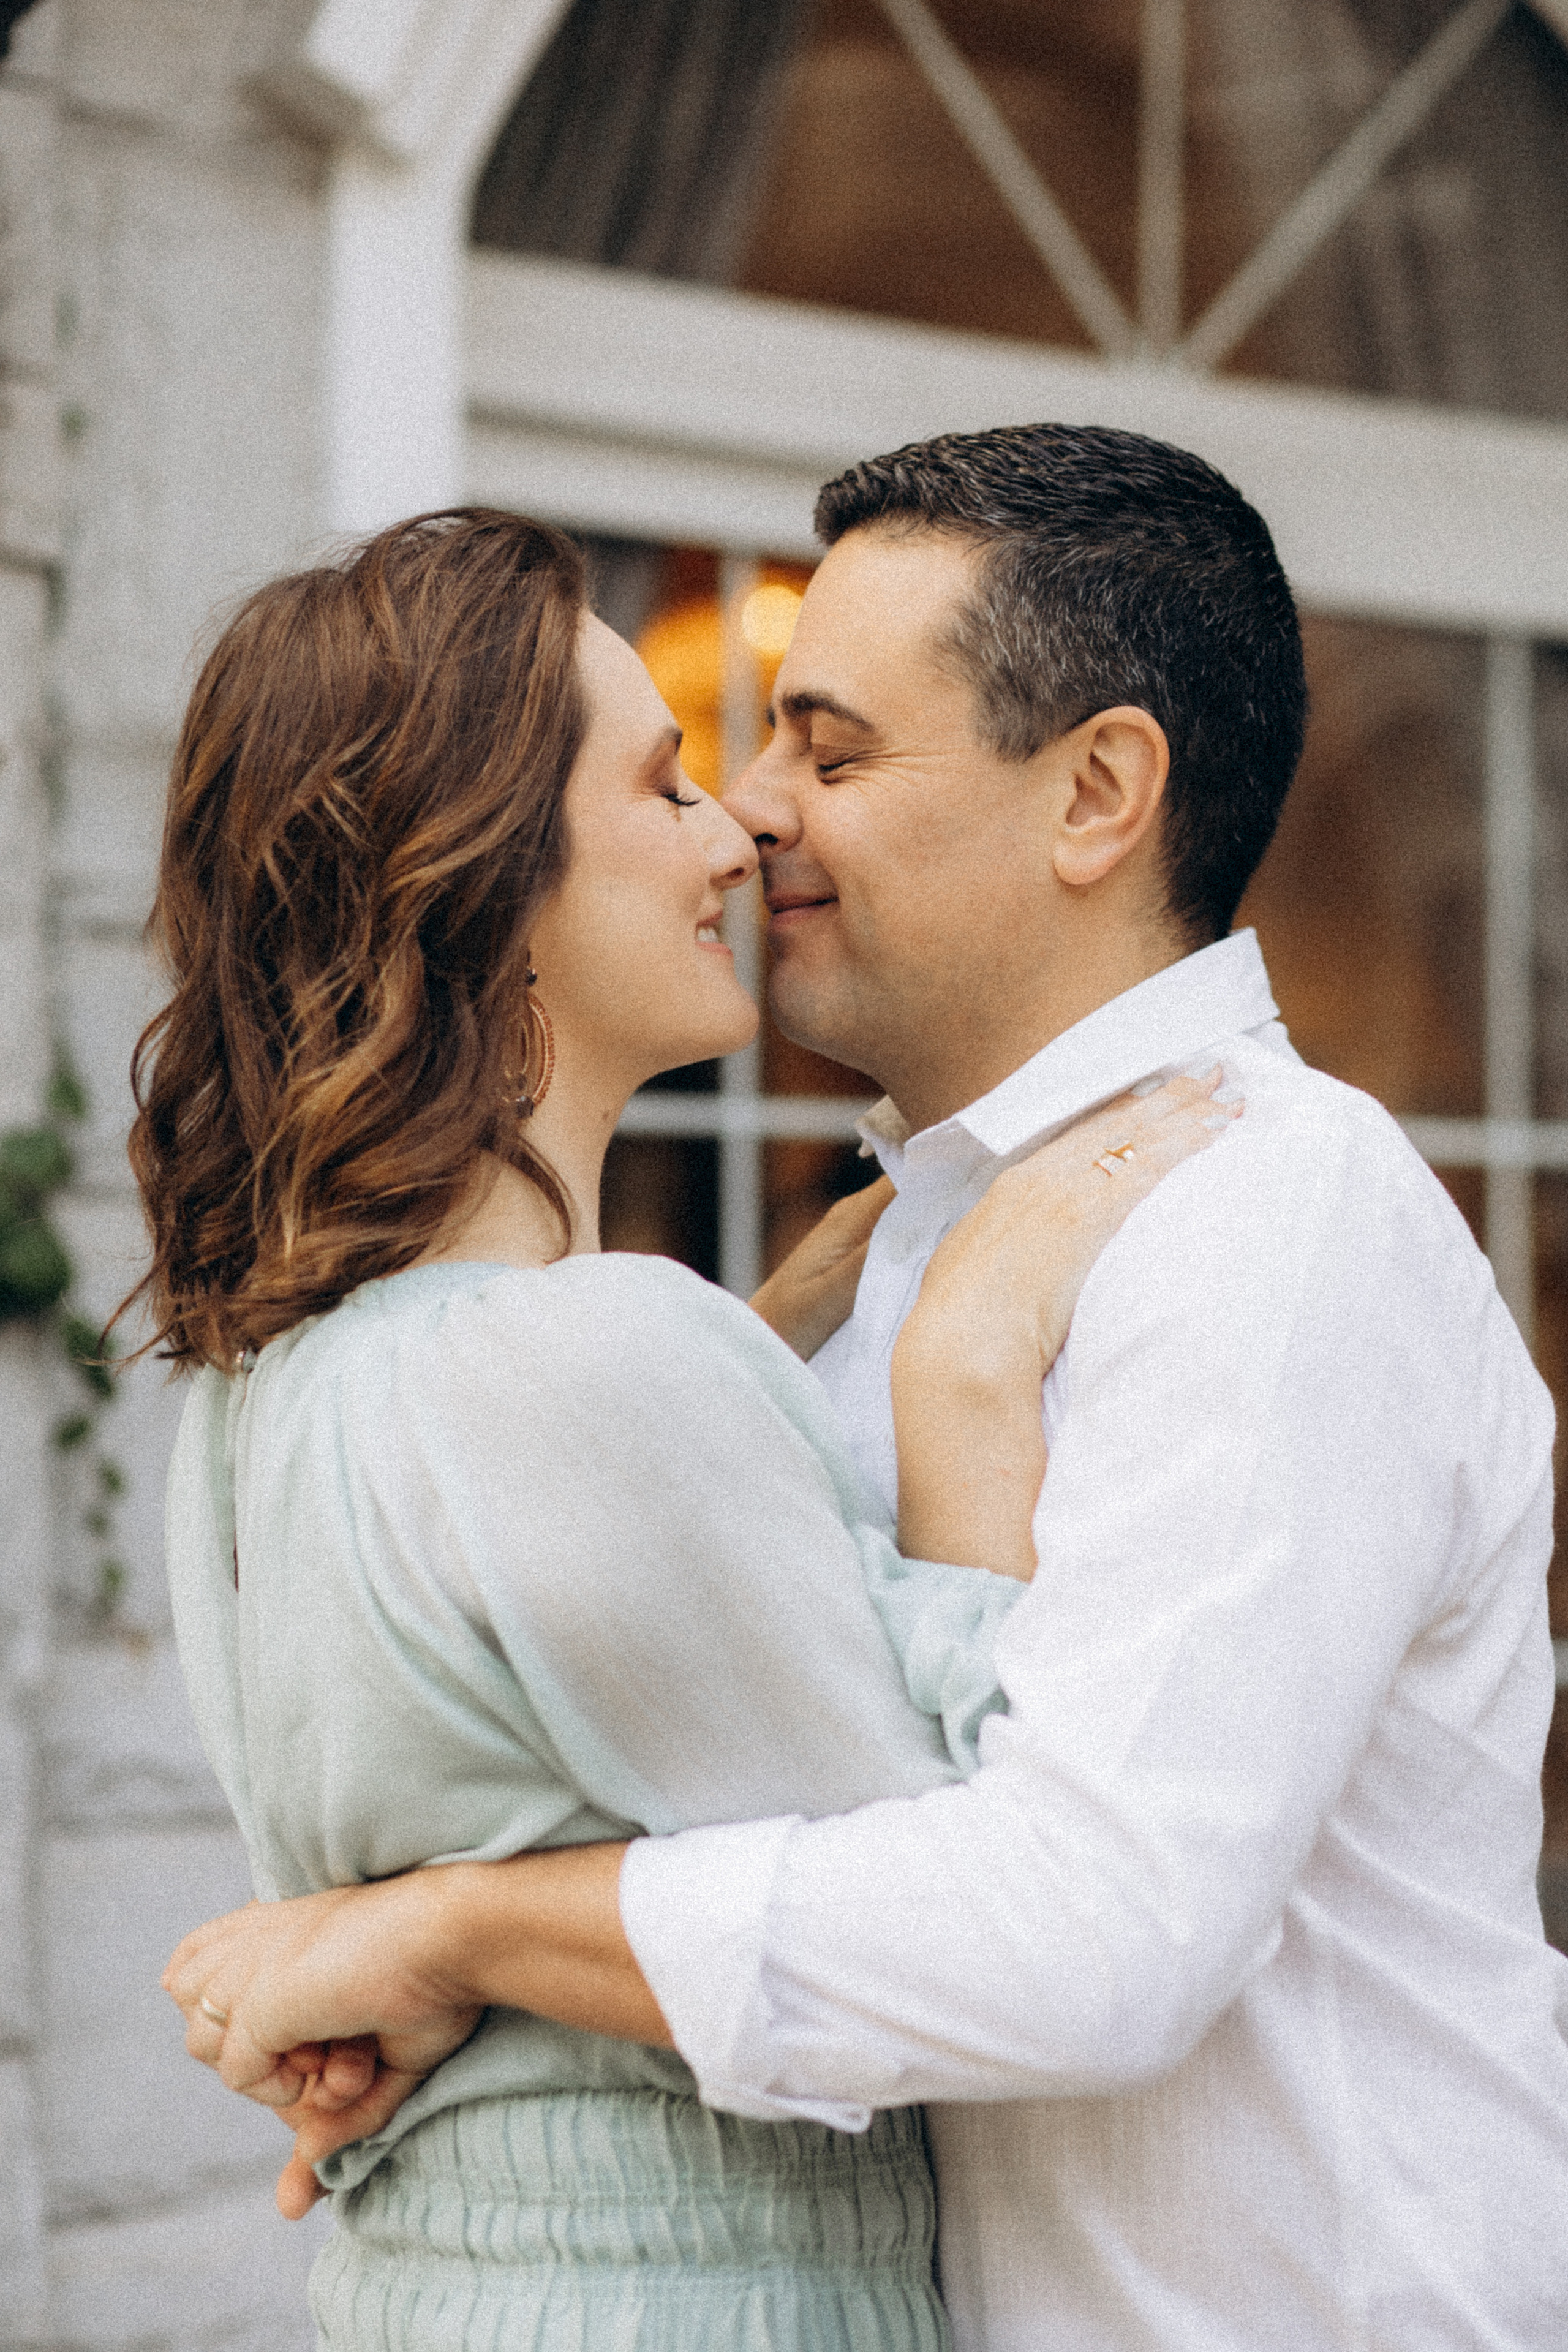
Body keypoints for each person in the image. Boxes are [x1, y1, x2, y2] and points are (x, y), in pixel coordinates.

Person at [166, 426, 1568, 2351]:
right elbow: (747, 1783)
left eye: (832, 752)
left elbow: (1089, 1936)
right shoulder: (903, 1254)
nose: (752, 814)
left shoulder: (1268, 1213)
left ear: (1097, 795)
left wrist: (449, 1934)